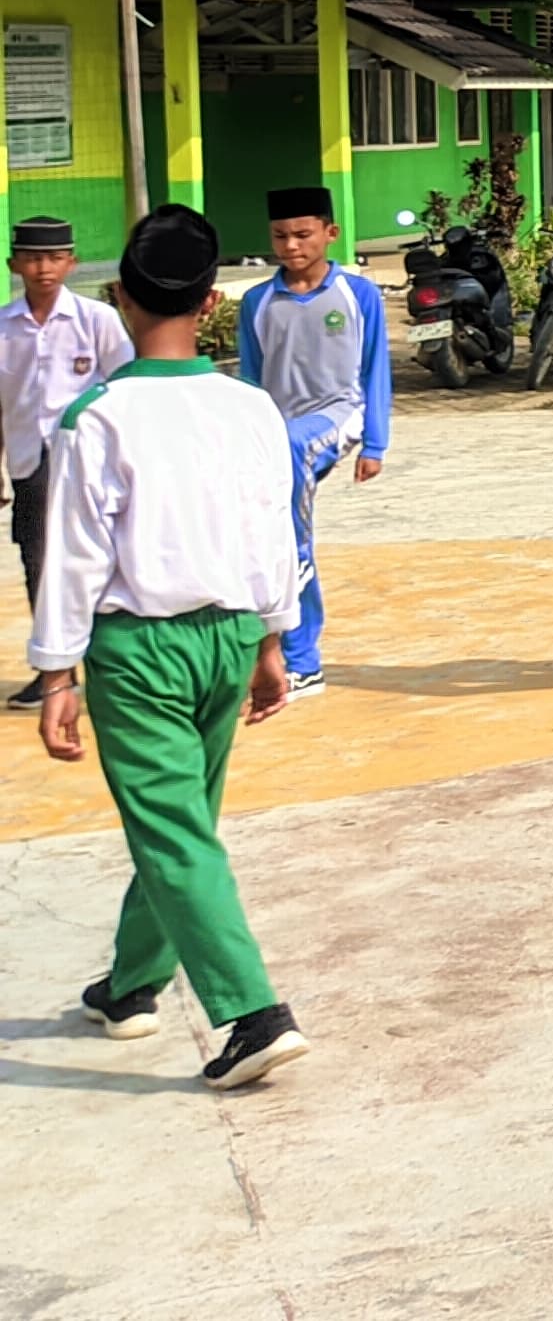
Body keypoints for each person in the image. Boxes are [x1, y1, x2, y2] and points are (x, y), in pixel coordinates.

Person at [26, 205, 313, 1090]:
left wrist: (57, 670)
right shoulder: (251, 406)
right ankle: (131, 985)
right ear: (211, 301)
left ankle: (252, 1011)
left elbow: (74, 555)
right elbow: (278, 528)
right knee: (180, 824)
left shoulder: (94, 415)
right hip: (231, 633)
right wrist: (274, 637)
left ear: (118, 300)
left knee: (175, 830)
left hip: (139, 646)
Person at [234, 186, 389, 699]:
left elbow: (376, 368)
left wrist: (374, 442)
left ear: (330, 233)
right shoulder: (258, 301)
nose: (291, 245)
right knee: (260, 534)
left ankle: (303, 657)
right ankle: (271, 649)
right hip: (275, 428)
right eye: (280, 236)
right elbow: (253, 380)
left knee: (290, 531)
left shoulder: (356, 293)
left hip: (337, 415)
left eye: (303, 234)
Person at [1, 218, 127, 711]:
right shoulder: (5, 328)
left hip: (87, 464)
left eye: (54, 258)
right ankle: (54, 671)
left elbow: (123, 392)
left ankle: (111, 667)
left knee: (98, 562)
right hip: (30, 462)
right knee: (38, 563)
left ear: (71, 262)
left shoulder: (97, 321)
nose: (43, 268)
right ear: (15, 265)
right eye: (32, 259)